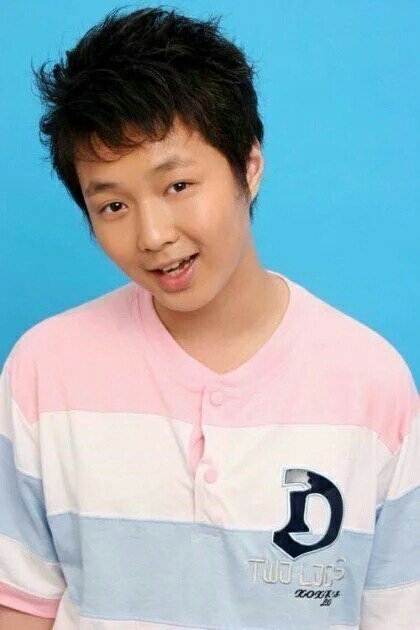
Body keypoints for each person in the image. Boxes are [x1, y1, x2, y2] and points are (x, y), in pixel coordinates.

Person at [0, 5, 418, 629]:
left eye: (177, 186)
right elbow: (19, 604)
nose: (153, 235)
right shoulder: (44, 371)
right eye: (113, 205)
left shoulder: (371, 383)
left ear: (249, 166)